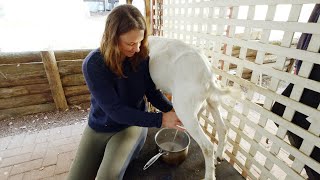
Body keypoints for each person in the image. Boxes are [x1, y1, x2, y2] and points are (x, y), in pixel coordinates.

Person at [67, 4, 184, 180]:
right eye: (130, 43)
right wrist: (160, 119)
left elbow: (152, 93)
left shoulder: (141, 57)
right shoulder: (93, 64)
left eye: (139, 41)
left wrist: (173, 110)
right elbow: (115, 110)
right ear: (112, 38)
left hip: (131, 125)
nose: (136, 48)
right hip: (100, 125)